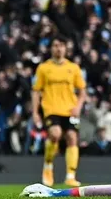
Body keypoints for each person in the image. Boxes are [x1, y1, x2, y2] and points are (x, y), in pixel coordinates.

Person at [32, 35, 87, 187]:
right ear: (51, 48)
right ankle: (48, 165)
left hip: (70, 109)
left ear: (66, 48)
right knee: (55, 134)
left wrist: (78, 107)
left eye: (61, 45)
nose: (59, 48)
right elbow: (36, 91)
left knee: (71, 137)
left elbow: (82, 91)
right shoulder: (44, 68)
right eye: (56, 45)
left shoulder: (73, 68)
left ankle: (70, 176)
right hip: (51, 108)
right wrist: (35, 112)